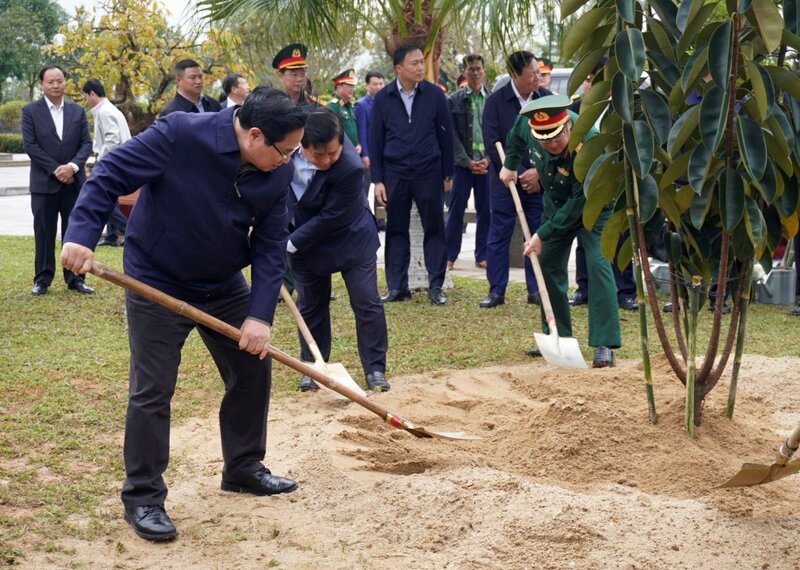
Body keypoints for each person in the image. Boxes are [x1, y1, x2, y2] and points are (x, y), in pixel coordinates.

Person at [60, 87, 307, 541]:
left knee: (252, 366)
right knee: (152, 389)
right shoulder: (180, 134)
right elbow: (111, 171)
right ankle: (143, 497)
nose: (290, 160)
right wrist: (81, 233)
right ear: (254, 135)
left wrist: (259, 317)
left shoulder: (276, 171)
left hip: (222, 282)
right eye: (285, 150)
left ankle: (243, 466)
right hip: (156, 278)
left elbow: (271, 247)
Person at [501, 95, 619, 368]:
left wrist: (542, 234)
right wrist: (510, 164)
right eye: (544, 140)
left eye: (557, 138)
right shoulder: (528, 126)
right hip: (555, 204)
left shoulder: (589, 144)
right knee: (547, 263)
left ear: (567, 125)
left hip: (593, 206)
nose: (551, 144)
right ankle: (556, 336)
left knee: (598, 264)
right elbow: (515, 136)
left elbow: (580, 202)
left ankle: (604, 343)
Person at [287, 109, 390, 392]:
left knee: (366, 301)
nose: (327, 160)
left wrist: (291, 242)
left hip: (350, 237)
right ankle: (313, 367)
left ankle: (375, 370)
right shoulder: (282, 151)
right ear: (301, 144)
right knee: (310, 305)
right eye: (319, 155)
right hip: (306, 244)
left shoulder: (350, 166)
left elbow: (334, 216)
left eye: (333, 153)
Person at [369, 43, 454, 305]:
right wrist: (378, 179)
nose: (420, 67)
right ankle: (397, 287)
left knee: (434, 229)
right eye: (414, 63)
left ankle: (436, 286)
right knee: (396, 230)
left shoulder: (435, 95)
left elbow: (446, 136)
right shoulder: (383, 98)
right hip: (395, 173)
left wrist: (448, 174)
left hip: (429, 171)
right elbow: (376, 141)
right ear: (398, 68)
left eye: (421, 62)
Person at [480, 51, 551, 309]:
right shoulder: (496, 102)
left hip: (538, 181)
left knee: (536, 234)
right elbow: (492, 142)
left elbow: (555, 140)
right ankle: (496, 290)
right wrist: (517, 172)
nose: (537, 78)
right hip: (505, 182)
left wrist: (538, 173)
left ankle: (536, 289)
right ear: (515, 75)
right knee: (498, 234)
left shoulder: (546, 100)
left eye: (538, 72)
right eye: (531, 73)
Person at [22, 64, 94, 296]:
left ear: (65, 83)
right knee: (44, 231)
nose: (56, 85)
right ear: (42, 85)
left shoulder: (77, 111)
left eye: (60, 80)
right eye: (51, 81)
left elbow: (86, 145)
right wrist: (56, 170)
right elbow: (31, 146)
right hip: (44, 184)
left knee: (74, 231)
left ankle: (76, 278)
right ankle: (42, 279)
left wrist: (72, 167)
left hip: (74, 183)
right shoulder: (30, 111)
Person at [445, 54, 490, 271]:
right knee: (456, 210)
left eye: (478, 68)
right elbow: (450, 136)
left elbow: (497, 133)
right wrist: (466, 161)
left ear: (484, 71)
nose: (474, 72)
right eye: (470, 69)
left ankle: (482, 254)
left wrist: (488, 160)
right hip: (462, 166)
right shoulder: (454, 100)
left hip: (487, 166)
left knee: (486, 210)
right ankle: (449, 255)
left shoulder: (492, 99)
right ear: (464, 72)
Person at [81, 79, 132, 247]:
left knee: (101, 198)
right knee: (110, 197)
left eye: (85, 97)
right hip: (119, 160)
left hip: (112, 161)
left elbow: (112, 138)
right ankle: (111, 236)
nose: (86, 101)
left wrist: (100, 161)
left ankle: (130, 230)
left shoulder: (104, 112)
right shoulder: (109, 109)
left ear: (92, 94)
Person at [354, 71, 385, 229]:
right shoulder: (361, 105)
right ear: (367, 85)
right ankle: (363, 220)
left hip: (384, 155)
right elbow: (361, 131)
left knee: (382, 188)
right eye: (375, 84)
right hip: (368, 155)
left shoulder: (387, 102)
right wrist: (365, 154)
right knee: (364, 189)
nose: (378, 87)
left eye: (381, 83)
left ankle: (380, 220)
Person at [272, 43, 318, 108]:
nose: (300, 79)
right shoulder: (273, 106)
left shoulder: (315, 104)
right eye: (294, 74)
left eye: (303, 74)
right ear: (280, 76)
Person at [326, 69, 361, 154]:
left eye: (353, 86)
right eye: (349, 86)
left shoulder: (349, 106)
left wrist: (358, 144)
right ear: (339, 87)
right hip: (341, 152)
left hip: (354, 151)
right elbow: (330, 131)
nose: (352, 89)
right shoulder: (333, 106)